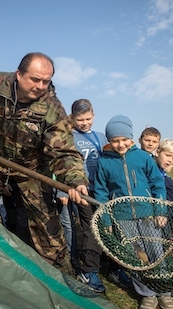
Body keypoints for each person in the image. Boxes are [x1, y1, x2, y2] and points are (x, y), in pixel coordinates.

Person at [0, 52, 90, 271]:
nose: (40, 86)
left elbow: (64, 151)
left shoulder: (52, 109)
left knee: (48, 230)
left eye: (46, 81)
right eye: (35, 79)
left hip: (32, 169)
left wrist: (76, 181)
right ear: (19, 74)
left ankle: (54, 277)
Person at [93, 115, 173, 309]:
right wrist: (106, 220)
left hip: (148, 214)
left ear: (132, 139)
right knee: (136, 257)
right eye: (115, 140)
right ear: (109, 141)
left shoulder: (142, 157)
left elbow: (157, 185)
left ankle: (164, 292)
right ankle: (147, 294)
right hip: (122, 218)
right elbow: (101, 193)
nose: (120, 144)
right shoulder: (104, 162)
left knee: (156, 253)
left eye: (124, 139)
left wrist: (160, 211)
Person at [56, 99, 108, 292]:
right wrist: (62, 190)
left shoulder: (101, 138)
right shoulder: (69, 138)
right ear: (73, 119)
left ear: (93, 116)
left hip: (100, 190)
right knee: (90, 227)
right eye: (80, 120)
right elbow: (62, 164)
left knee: (103, 226)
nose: (85, 123)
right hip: (80, 191)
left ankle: (106, 264)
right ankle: (88, 270)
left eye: (88, 118)